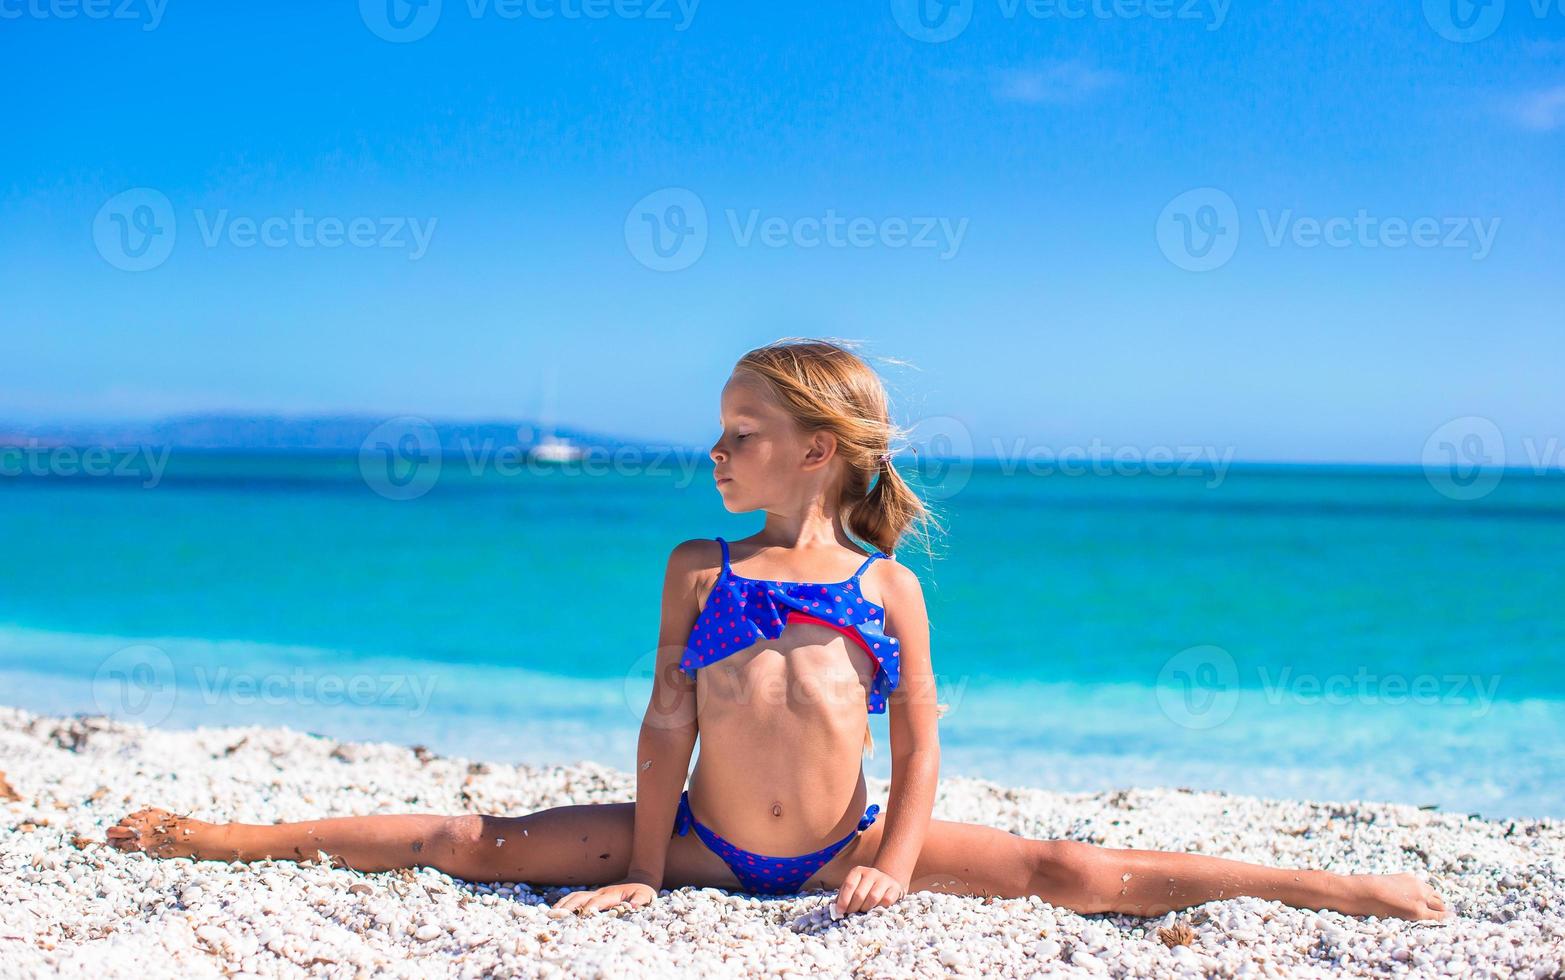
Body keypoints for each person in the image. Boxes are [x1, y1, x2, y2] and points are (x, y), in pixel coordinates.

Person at [107, 338, 1450, 922]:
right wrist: (642, 866)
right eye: (715, 433)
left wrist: (891, 866)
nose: (712, 453)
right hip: (692, 844)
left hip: (839, 853)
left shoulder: (888, 592)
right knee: (475, 844)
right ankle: (227, 834)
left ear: (815, 454)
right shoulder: (697, 569)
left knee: (1055, 865)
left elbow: (920, 751)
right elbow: (661, 728)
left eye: (739, 437)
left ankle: (1327, 888)